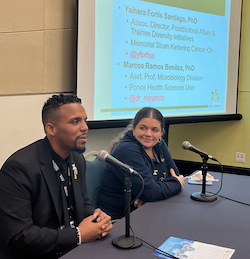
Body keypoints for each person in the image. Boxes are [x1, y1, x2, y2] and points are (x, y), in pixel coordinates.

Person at [0, 94, 112, 259]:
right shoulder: (19, 168)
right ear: (51, 129)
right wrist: (78, 235)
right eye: (75, 121)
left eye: (84, 120)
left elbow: (84, 202)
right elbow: (20, 236)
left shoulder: (77, 159)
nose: (85, 127)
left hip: (73, 250)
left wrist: (96, 217)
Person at [97, 107, 184, 220]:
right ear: (134, 128)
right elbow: (152, 191)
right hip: (118, 220)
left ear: (161, 132)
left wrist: (148, 194)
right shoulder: (127, 150)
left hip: (146, 210)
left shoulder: (159, 144)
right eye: (143, 128)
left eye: (155, 130)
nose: (148, 134)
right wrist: (177, 184)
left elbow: (173, 174)